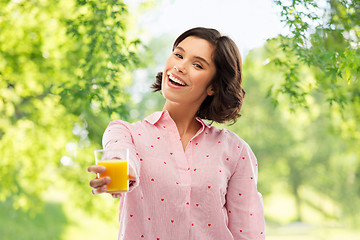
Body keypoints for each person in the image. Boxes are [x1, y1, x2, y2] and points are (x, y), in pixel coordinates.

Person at [88, 27, 265, 240]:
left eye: (197, 64)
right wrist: (121, 170)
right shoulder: (126, 132)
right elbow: (119, 150)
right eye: (178, 55)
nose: (180, 66)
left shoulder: (235, 151)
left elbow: (248, 233)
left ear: (213, 87)